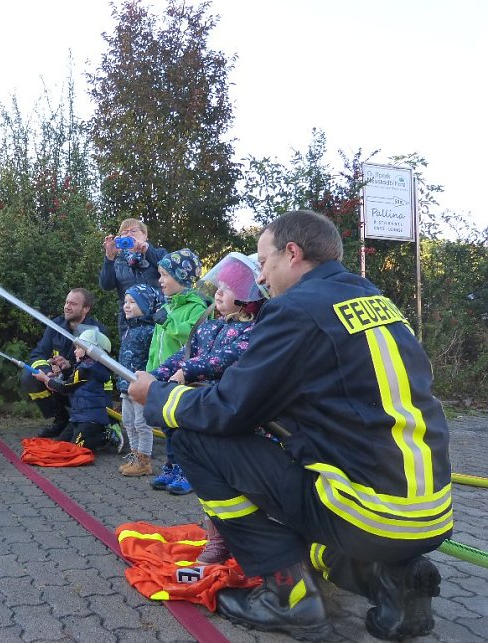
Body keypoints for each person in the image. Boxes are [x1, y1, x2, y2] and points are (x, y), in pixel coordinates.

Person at [129, 210, 451, 641]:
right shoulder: (379, 303)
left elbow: (228, 408)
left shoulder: (296, 310)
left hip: (366, 510)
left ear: (293, 254)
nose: (260, 277)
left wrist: (158, 397)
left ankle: (289, 594)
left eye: (263, 261)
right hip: (428, 514)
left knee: (193, 438)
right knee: (300, 487)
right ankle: (387, 576)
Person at [151, 252, 267, 562]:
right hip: (203, 413)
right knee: (211, 481)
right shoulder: (207, 324)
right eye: (220, 285)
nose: (219, 291)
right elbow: (186, 354)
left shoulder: (253, 330)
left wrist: (188, 372)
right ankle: (217, 535)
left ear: (249, 298)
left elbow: (226, 358)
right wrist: (154, 377)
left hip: (230, 415)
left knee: (233, 482)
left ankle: (241, 537)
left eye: (229, 288)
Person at [145, 249, 209, 496]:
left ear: (181, 277)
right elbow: (156, 344)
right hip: (162, 375)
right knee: (168, 425)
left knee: (182, 425)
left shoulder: (196, 306)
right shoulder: (168, 306)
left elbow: (191, 335)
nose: (160, 280)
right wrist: (151, 370)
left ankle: (187, 470)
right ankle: (171, 465)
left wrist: (167, 322)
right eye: (159, 275)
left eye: (165, 275)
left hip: (183, 376)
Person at [20, 288, 109, 438]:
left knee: (91, 431)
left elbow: (96, 368)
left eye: (73, 304)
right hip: (63, 382)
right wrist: (48, 370)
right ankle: (60, 419)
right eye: (66, 302)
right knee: (29, 376)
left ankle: (90, 424)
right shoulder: (56, 325)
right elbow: (38, 353)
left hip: (90, 391)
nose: (67, 306)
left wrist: (69, 366)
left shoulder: (96, 331)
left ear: (86, 309)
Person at [31, 328, 122, 451]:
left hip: (91, 420)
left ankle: (107, 436)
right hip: (79, 417)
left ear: (91, 351)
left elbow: (64, 388)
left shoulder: (86, 370)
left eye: (79, 348)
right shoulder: (87, 366)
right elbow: (70, 382)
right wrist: (59, 375)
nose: (75, 351)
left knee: (76, 447)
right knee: (60, 443)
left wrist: (45, 379)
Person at [116, 284, 164, 477]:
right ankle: (134, 456)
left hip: (140, 386)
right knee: (128, 421)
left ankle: (144, 460)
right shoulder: (129, 329)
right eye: (125, 302)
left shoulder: (150, 331)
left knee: (141, 423)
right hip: (125, 384)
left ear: (147, 305)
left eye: (133, 302)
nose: (126, 306)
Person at [100, 218, 167, 336]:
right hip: (129, 321)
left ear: (145, 235)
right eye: (124, 233)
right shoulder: (118, 261)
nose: (129, 235)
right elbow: (106, 285)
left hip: (158, 316)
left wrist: (146, 250)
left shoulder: (159, 253)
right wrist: (109, 257)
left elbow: (169, 271)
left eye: (133, 231)